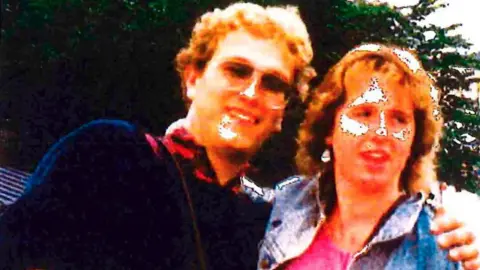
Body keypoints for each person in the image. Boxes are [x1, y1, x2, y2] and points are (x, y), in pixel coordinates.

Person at [0, 3, 476, 269]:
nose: (251, 92)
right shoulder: (110, 153)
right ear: (191, 78)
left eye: (272, 84)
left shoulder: (262, 217)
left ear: (280, 113)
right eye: (236, 70)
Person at [257, 44, 480, 270]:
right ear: (328, 129)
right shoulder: (283, 207)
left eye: (399, 119)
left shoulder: (439, 244)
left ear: (414, 140)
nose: (381, 131)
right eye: (364, 114)